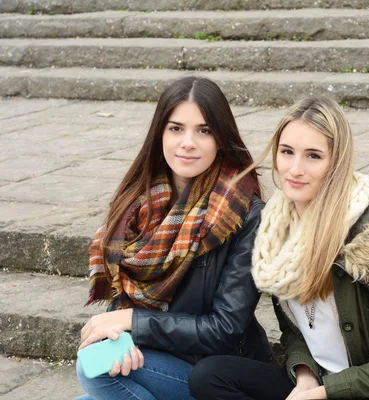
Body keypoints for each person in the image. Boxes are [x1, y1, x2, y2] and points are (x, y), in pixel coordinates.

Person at [188, 95, 369, 400]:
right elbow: (298, 331)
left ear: (336, 163)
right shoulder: (275, 234)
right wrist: (305, 375)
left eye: (313, 156)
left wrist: (327, 392)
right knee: (210, 376)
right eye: (287, 152)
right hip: (323, 383)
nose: (295, 169)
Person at [75, 76, 271, 400]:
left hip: (215, 377)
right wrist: (116, 332)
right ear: (160, 133)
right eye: (176, 128)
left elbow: (223, 330)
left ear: (221, 138)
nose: (188, 142)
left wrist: (132, 322)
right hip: (154, 356)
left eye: (204, 130)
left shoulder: (243, 214)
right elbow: (123, 290)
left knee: (90, 370)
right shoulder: (138, 202)